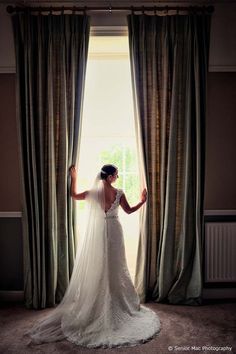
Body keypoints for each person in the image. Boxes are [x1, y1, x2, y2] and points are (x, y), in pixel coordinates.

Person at [26, 164, 161, 348]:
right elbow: (129, 211)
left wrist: (73, 178)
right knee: (116, 266)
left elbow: (73, 196)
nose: (118, 178)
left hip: (99, 233)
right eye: (116, 175)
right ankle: (116, 302)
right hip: (114, 231)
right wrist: (143, 201)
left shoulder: (93, 193)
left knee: (100, 266)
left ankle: (99, 302)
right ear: (110, 177)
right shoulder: (119, 193)